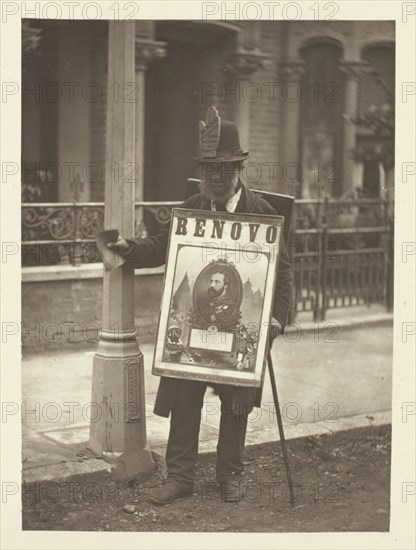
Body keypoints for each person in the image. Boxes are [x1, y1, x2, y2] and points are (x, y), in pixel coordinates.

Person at [107, 106, 292, 505]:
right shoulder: (193, 204)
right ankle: (180, 478)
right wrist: (129, 248)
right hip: (195, 324)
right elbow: (162, 245)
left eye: (223, 170)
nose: (216, 179)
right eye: (209, 170)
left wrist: (277, 316)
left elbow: (284, 273)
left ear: (239, 170)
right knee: (186, 396)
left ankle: (230, 475)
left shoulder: (262, 214)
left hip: (237, 324)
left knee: (235, 400)